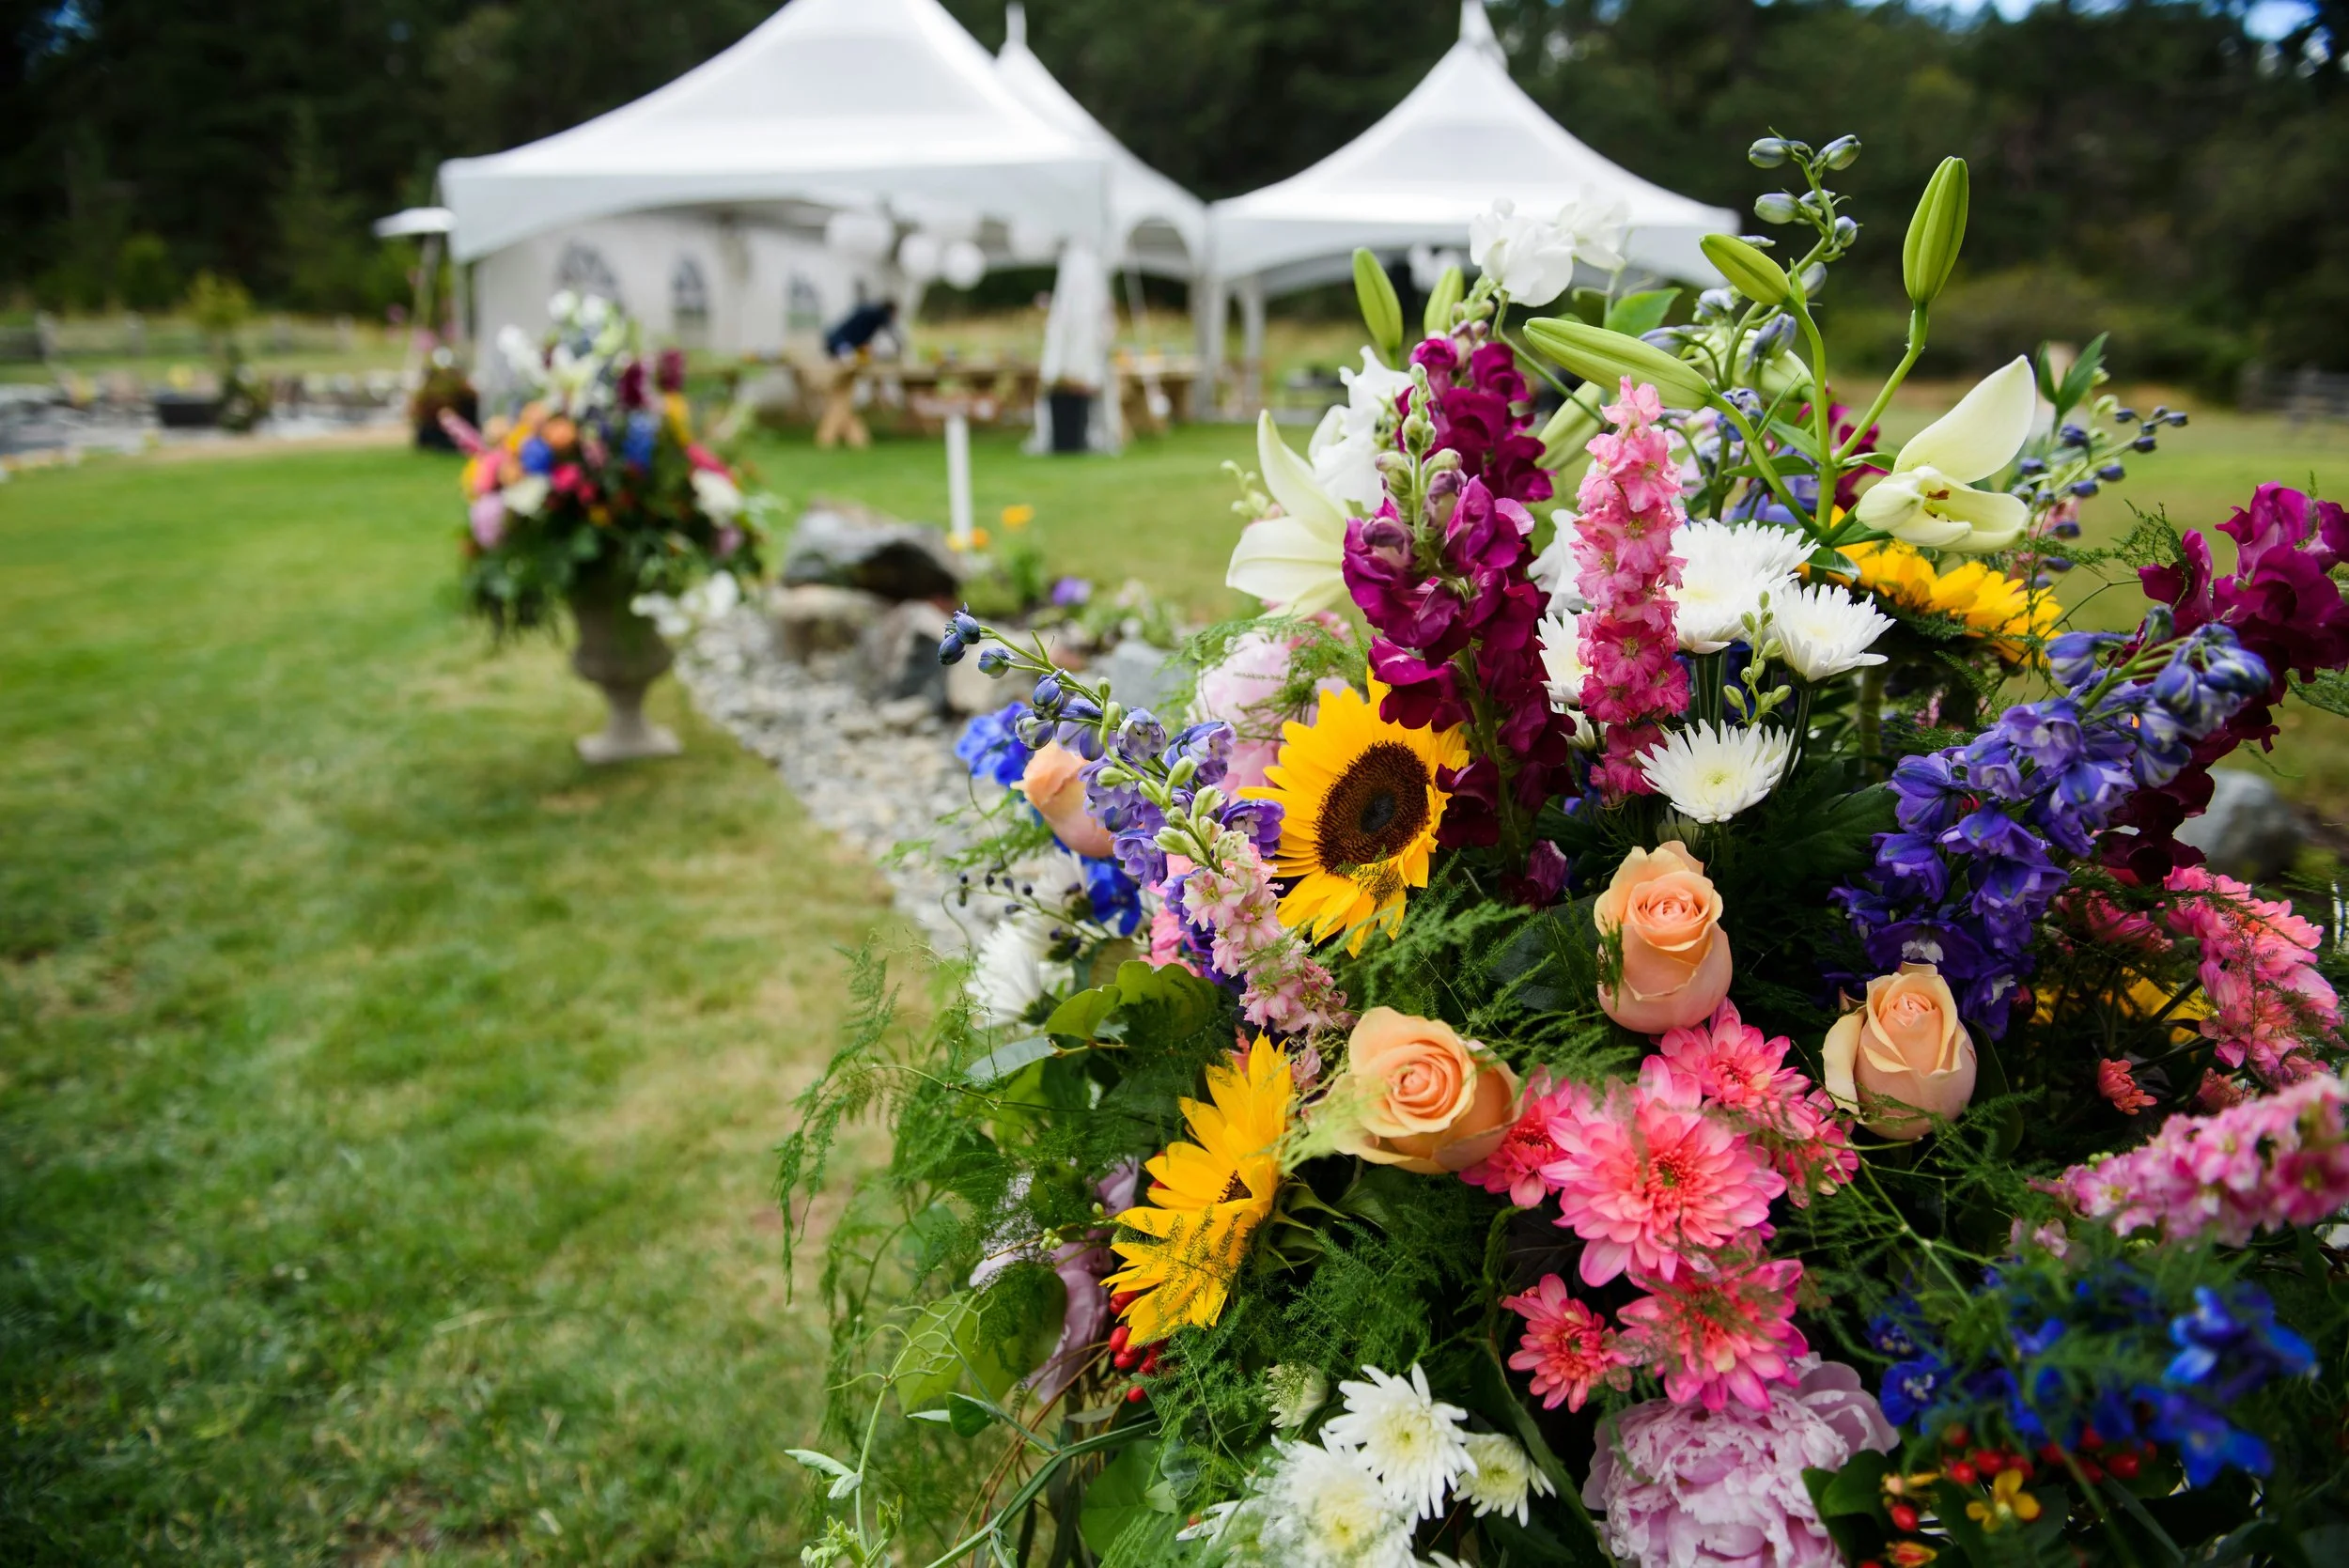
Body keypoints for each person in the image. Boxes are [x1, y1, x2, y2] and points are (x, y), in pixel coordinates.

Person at [814, 299, 899, 448]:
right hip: (841, 346)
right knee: (841, 394)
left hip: (838, 346)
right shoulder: (878, 314)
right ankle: (834, 437)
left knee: (841, 394)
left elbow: (861, 335)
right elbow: (891, 331)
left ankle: (844, 436)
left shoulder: (868, 311)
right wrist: (899, 347)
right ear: (891, 311)